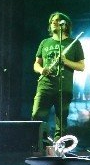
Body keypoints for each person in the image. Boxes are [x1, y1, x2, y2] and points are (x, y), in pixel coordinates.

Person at [31, 12, 85, 141]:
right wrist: (41, 70)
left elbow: (81, 66)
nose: (54, 23)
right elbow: (36, 64)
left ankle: (58, 147)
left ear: (65, 25)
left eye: (57, 20)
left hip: (64, 87)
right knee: (37, 115)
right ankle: (39, 144)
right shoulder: (45, 42)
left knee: (61, 121)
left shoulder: (74, 43)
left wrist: (66, 61)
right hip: (45, 86)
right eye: (52, 21)